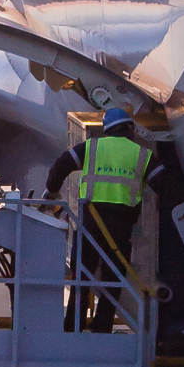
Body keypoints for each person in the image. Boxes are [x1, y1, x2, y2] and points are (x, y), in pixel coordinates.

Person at [44, 108, 164, 331]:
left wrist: (51, 192)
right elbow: (165, 186)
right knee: (113, 279)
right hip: (120, 228)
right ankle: (102, 328)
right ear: (131, 128)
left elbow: (61, 165)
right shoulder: (142, 155)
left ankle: (72, 327)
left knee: (81, 278)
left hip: (90, 224)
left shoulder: (91, 147)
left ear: (106, 129)